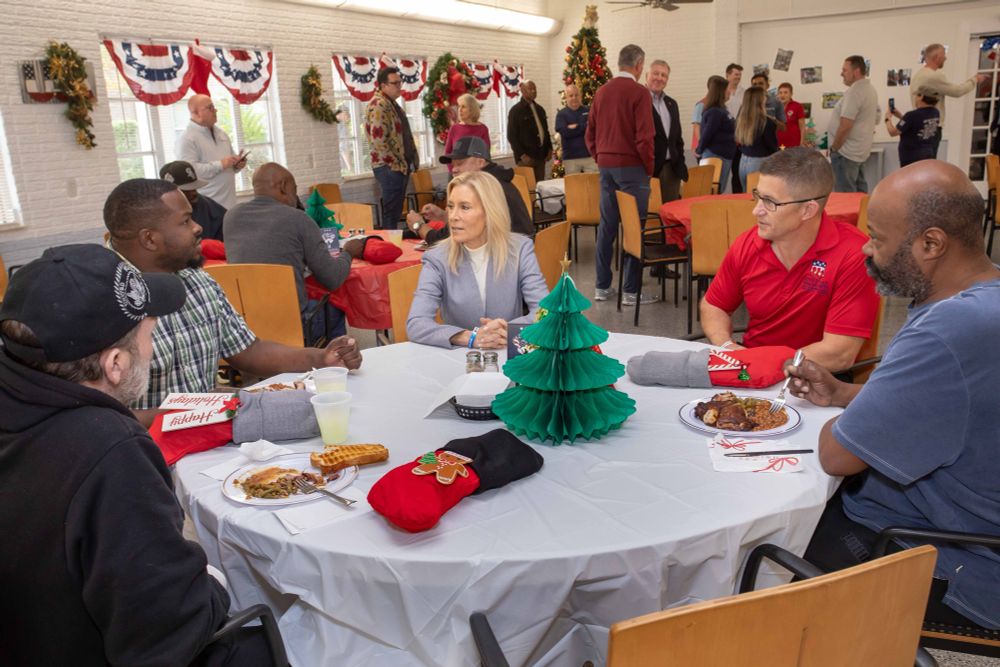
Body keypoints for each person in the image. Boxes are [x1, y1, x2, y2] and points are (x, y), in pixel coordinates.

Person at [0, 244, 271, 665]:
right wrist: (213, 581)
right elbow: (169, 634)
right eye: (148, 335)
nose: (150, 346)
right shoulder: (110, 451)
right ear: (114, 363)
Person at [787, 160, 1000, 632]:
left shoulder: (949, 329)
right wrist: (848, 394)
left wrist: (848, 416)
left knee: (762, 554)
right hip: (977, 533)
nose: (868, 250)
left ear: (931, 243)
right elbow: (955, 408)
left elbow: (836, 454)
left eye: (879, 239)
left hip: (952, 558)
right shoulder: (987, 297)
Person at [102, 179, 362, 425]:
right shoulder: (100, 300)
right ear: (149, 239)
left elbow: (249, 351)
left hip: (204, 432)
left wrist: (321, 357)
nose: (197, 227)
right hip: (144, 452)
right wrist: (191, 415)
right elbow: (96, 417)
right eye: (185, 221)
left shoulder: (197, 280)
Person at [700, 147, 879, 372]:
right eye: (758, 196)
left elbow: (839, 353)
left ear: (807, 210)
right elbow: (714, 304)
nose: (756, 211)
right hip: (749, 368)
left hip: (817, 378)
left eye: (770, 202)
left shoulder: (852, 254)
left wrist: (760, 362)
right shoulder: (747, 244)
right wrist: (727, 347)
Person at [406, 171, 549, 349]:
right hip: (460, 360)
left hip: (511, 355)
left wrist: (508, 332)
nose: (452, 216)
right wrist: (470, 337)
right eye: (451, 206)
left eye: (464, 207)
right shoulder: (437, 258)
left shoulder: (520, 249)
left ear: (490, 212)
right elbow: (416, 323)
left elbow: (545, 312)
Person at [223, 162, 365, 340]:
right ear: (283, 186)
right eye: (294, 188)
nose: (296, 195)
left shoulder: (231, 216)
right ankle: (334, 362)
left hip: (244, 325)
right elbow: (333, 279)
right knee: (335, 306)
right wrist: (349, 252)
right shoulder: (298, 219)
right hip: (293, 326)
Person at [585, 44, 656, 306]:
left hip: (606, 167)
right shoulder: (639, 93)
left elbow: (589, 133)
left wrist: (600, 157)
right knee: (634, 227)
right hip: (632, 168)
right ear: (638, 65)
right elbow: (645, 137)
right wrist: (648, 168)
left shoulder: (601, 92)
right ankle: (630, 291)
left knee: (607, 226)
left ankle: (601, 287)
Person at [405, 136, 533, 244]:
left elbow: (441, 240)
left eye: (460, 163)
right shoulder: (498, 180)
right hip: (522, 255)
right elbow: (471, 222)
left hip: (505, 264)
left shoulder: (482, 189)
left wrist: (418, 226)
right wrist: (442, 216)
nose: (454, 169)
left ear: (480, 162)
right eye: (453, 165)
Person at [365, 66, 419, 229]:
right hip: (390, 167)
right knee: (391, 212)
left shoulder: (391, 104)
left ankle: (392, 243)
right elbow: (379, 140)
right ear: (383, 86)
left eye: (399, 82)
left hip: (398, 166)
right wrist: (397, 163)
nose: (399, 86)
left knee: (395, 211)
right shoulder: (379, 105)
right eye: (394, 83)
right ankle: (389, 246)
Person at [911, 43, 987, 157]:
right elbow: (957, 91)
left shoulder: (919, 75)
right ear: (936, 57)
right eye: (944, 55)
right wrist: (975, 80)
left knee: (923, 163)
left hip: (923, 126)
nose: (946, 58)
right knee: (927, 164)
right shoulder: (932, 76)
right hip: (931, 127)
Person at [175, 94, 246, 209]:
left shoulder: (221, 133)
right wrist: (220, 164)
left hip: (230, 202)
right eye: (210, 108)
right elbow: (190, 172)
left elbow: (229, 164)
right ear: (196, 113)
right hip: (208, 206)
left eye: (214, 107)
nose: (215, 110)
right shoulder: (186, 138)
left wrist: (237, 165)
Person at [829, 55, 879, 193]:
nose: (841, 74)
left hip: (846, 153)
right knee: (859, 191)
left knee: (845, 196)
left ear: (856, 71)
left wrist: (834, 148)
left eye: (844, 70)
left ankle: (857, 215)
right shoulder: (870, 90)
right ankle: (863, 215)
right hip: (858, 151)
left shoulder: (855, 92)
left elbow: (845, 125)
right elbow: (877, 117)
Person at [646, 59, 688, 202]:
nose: (659, 78)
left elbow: (677, 138)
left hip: (672, 169)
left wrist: (680, 161)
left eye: (664, 75)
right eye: (656, 73)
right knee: (649, 216)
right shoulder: (638, 101)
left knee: (670, 215)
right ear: (647, 75)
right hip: (648, 171)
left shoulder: (672, 104)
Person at [160, 160, 227, 241]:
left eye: (194, 187)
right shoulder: (157, 212)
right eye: (186, 190)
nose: (193, 193)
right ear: (169, 191)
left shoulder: (211, 209)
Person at [695, 75, 736, 195]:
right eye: (727, 88)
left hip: (724, 156)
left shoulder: (722, 109)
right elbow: (707, 134)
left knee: (719, 190)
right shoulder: (715, 112)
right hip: (716, 155)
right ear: (720, 91)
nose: (729, 91)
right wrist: (699, 150)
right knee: (713, 191)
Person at [507, 80, 553, 184]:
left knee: (540, 187)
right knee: (528, 187)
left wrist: (549, 148)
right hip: (526, 158)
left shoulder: (540, 109)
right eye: (530, 89)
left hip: (541, 156)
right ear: (522, 90)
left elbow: (545, 131)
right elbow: (512, 136)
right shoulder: (516, 111)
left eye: (535, 89)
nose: (533, 91)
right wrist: (522, 155)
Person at [735, 87, 779, 192]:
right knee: (759, 196)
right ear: (760, 99)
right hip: (758, 162)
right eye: (764, 96)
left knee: (747, 195)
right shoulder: (766, 122)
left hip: (743, 161)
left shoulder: (741, 120)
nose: (766, 98)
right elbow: (772, 146)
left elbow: (739, 142)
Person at [885, 89, 941, 167]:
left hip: (911, 158)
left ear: (921, 97)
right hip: (928, 156)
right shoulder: (935, 112)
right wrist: (901, 116)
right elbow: (915, 124)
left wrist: (887, 119)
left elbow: (893, 132)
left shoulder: (911, 115)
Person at [442, 93, 491, 175]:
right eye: (459, 106)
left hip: (476, 174)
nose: (459, 110)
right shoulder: (454, 128)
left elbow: (486, 155)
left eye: (463, 107)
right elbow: (448, 152)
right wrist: (454, 170)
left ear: (472, 109)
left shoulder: (483, 129)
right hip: (457, 173)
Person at [555, 83, 596, 173]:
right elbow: (564, 132)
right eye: (571, 95)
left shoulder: (588, 111)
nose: (574, 98)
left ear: (580, 96)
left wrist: (576, 127)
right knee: (573, 186)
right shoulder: (561, 114)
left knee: (592, 186)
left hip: (589, 157)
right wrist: (584, 126)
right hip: (570, 159)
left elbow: (593, 128)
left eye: (576, 95)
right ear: (566, 98)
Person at [725, 63, 747, 194]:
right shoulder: (721, 92)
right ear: (727, 75)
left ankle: (737, 197)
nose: (738, 77)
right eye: (736, 74)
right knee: (721, 174)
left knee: (737, 172)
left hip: (739, 138)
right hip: (724, 138)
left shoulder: (744, 92)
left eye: (740, 75)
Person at [691, 75, 727, 151]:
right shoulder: (701, 104)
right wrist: (702, 145)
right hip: (703, 148)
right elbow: (696, 126)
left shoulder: (719, 105)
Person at [776, 82, 806, 148]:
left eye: (785, 92)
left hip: (794, 145)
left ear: (791, 94)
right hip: (778, 145)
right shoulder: (775, 107)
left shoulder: (797, 106)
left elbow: (802, 127)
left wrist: (802, 143)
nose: (782, 95)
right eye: (780, 93)